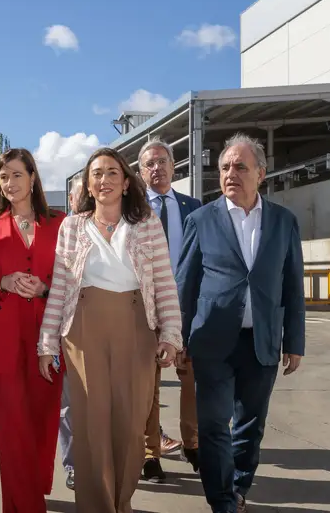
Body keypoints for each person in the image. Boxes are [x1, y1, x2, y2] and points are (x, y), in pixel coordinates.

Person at [38, 147, 183, 513]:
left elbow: (164, 282)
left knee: (131, 424)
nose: (104, 180)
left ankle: (121, 501)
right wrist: (47, 343)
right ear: (88, 184)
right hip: (83, 330)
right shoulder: (72, 226)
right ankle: (96, 506)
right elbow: (60, 287)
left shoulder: (147, 223)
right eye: (97, 174)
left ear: (126, 182)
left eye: (112, 173)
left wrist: (170, 335)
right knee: (91, 424)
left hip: (136, 328)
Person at [175, 133, 305, 513]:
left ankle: (238, 486)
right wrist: (178, 337)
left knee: (251, 424)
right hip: (211, 339)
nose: (230, 173)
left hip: (262, 339)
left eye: (240, 167)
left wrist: (294, 341)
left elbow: (293, 286)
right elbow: (186, 284)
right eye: (225, 167)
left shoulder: (283, 221)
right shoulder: (200, 220)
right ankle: (222, 501)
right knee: (214, 423)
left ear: (260, 174)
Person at [0, 148, 66, 513]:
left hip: (47, 337)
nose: (9, 183)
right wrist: (4, 282)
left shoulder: (60, 223)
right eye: (3, 177)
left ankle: (30, 491)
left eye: (17, 175)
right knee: (12, 429)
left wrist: (45, 287)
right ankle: (25, 505)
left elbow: (73, 277)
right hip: (3, 340)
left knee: (42, 423)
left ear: (33, 177)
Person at [136, 137, 203, 482]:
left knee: (191, 379)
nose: (157, 168)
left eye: (162, 161)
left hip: (186, 308)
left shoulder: (194, 208)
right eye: (149, 163)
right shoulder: (133, 211)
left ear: (174, 166)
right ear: (140, 172)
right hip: (147, 310)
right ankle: (151, 453)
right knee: (150, 385)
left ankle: (193, 444)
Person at [56, 172, 83, 491]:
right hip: (68, 333)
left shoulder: (116, 229)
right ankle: (74, 464)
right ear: (71, 200)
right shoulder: (62, 233)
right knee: (70, 407)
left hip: (107, 334)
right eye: (80, 195)